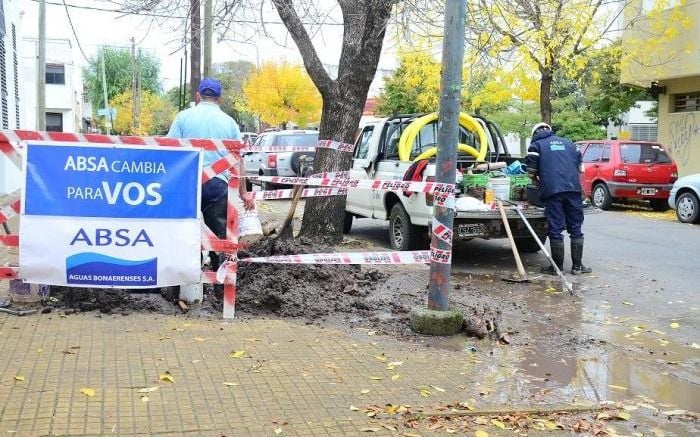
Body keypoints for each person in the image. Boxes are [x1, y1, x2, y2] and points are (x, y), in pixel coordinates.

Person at [168, 78, 255, 265]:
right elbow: (239, 160)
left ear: (198, 95)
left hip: (188, 185)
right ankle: (221, 284)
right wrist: (244, 193)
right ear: (220, 99)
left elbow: (171, 150)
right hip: (218, 185)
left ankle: (183, 283)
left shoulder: (183, 118)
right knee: (219, 236)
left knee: (185, 233)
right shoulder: (230, 123)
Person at [525, 122, 591, 275]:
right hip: (573, 190)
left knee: (555, 229)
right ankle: (577, 267)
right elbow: (580, 168)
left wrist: (538, 180)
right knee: (576, 228)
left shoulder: (536, 146)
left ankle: (557, 268)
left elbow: (530, 171)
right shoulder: (570, 143)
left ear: (535, 134)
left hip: (553, 192)